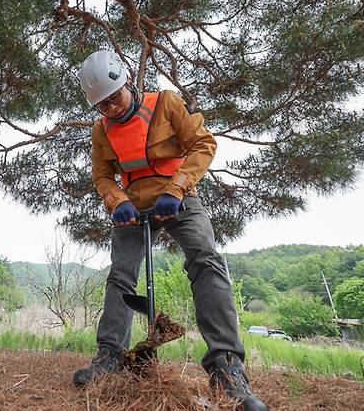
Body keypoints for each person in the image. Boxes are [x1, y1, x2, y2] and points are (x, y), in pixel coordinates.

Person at [73, 50, 267, 411]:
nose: (111, 109)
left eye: (114, 98)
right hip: (133, 206)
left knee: (206, 260)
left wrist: (177, 188)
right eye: (102, 105)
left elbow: (203, 143)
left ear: (128, 82)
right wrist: (117, 202)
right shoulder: (102, 131)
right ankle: (109, 356)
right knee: (120, 276)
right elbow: (102, 176)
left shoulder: (165, 103)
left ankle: (226, 367)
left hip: (178, 198)